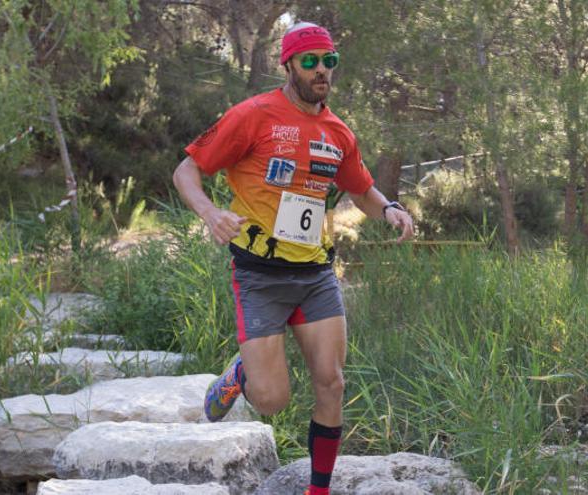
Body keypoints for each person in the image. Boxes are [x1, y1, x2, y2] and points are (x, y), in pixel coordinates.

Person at [172, 21, 414, 495]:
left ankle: (317, 490)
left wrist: (388, 208)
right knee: (272, 400)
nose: (322, 69)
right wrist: (209, 212)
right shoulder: (253, 114)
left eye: (329, 61)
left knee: (332, 383)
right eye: (310, 61)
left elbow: (359, 187)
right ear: (289, 64)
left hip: (316, 275)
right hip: (259, 274)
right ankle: (242, 374)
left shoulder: (337, 131)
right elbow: (187, 170)